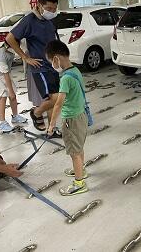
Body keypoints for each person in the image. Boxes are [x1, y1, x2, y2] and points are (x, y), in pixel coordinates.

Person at [6, 0, 61, 136]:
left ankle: (51, 129)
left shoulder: (50, 20)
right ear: (39, 5)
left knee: (54, 99)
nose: (52, 11)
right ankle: (36, 113)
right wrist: (25, 57)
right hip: (40, 67)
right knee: (53, 98)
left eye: (54, 8)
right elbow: (10, 38)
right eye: (49, 8)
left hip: (53, 65)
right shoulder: (29, 20)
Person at [46, 40, 89, 196]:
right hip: (81, 115)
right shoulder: (75, 71)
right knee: (79, 147)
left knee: (74, 153)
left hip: (71, 120)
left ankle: (79, 183)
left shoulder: (65, 79)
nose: (52, 64)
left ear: (57, 58)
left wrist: (51, 125)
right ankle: (81, 171)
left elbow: (58, 104)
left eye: (51, 61)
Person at [0, 43, 28, 132]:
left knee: (13, 95)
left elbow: (7, 73)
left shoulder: (11, 51)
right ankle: (2, 123)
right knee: (3, 96)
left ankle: (15, 116)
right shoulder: (1, 54)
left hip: (5, 73)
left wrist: (12, 91)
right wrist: (10, 90)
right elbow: (5, 74)